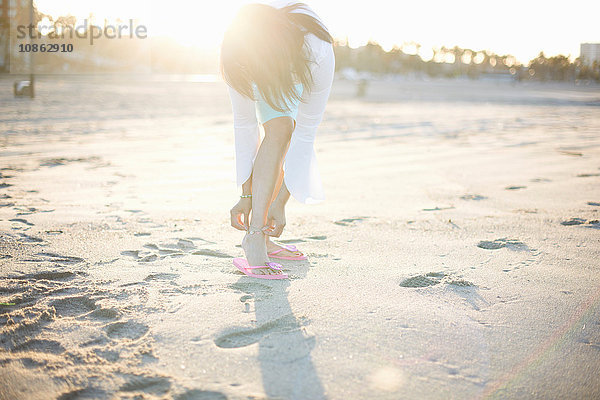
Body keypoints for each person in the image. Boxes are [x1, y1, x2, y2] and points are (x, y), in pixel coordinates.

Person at [220, 1, 334, 279]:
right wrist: (245, 196)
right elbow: (245, 127)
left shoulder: (318, 49)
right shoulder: (240, 48)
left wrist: (280, 203)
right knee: (278, 128)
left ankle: (263, 235)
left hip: (293, 60)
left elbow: (305, 134)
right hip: (262, 54)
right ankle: (255, 238)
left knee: (288, 129)